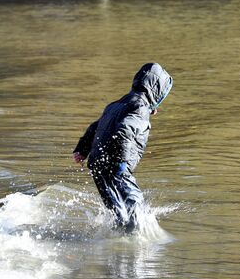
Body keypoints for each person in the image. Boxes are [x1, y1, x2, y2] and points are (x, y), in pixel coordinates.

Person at [73, 62, 173, 230]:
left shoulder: (115, 105)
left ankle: (116, 239)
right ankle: (133, 241)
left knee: (116, 210)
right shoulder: (140, 108)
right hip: (116, 164)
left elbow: (94, 128)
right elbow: (124, 130)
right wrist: (122, 163)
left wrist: (82, 151)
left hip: (97, 163)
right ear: (157, 93)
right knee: (136, 206)